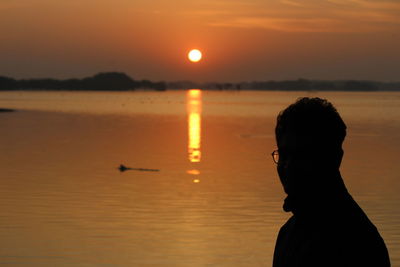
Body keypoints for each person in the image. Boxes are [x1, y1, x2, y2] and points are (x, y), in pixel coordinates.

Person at [272, 97, 390, 267]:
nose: (288, 166)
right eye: (284, 155)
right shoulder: (288, 233)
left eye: (302, 155)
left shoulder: (355, 240)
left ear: (333, 158)